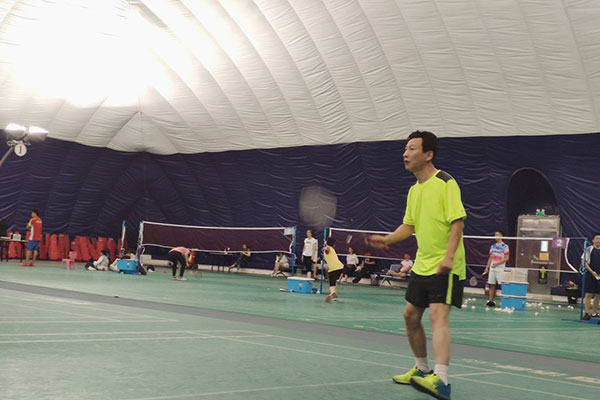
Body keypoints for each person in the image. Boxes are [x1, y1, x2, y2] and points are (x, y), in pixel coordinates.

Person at [369, 130, 466, 400]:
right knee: (410, 316)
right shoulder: (414, 190)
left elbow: (458, 222)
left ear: (428, 154)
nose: (405, 153)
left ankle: (442, 380)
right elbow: (409, 226)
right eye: (405, 149)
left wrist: (449, 257)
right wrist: (387, 239)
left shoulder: (445, 182)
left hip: (445, 265)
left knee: (437, 316)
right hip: (422, 264)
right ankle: (422, 369)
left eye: (412, 149)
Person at [483, 231, 510, 307]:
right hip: (492, 268)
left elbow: (507, 258)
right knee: (492, 284)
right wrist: (487, 267)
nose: (495, 236)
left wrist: (498, 263)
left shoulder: (505, 246)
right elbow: (490, 257)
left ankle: (505, 302)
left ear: (501, 236)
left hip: (500, 268)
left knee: (502, 285)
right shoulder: (493, 246)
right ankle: (491, 301)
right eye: (495, 235)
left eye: (497, 235)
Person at [582, 233, 600, 320]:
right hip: (590, 274)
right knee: (588, 294)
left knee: (598, 295)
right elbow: (584, 262)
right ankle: (587, 313)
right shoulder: (589, 249)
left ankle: (595, 313)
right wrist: (592, 272)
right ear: (593, 240)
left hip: (599, 275)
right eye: (597, 238)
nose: (598, 240)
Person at [323, 237, 344, 302]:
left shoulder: (328, 249)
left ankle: (332, 293)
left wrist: (326, 248)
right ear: (334, 244)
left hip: (333, 269)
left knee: (332, 284)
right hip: (340, 267)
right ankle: (335, 297)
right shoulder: (333, 250)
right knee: (334, 282)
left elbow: (327, 250)